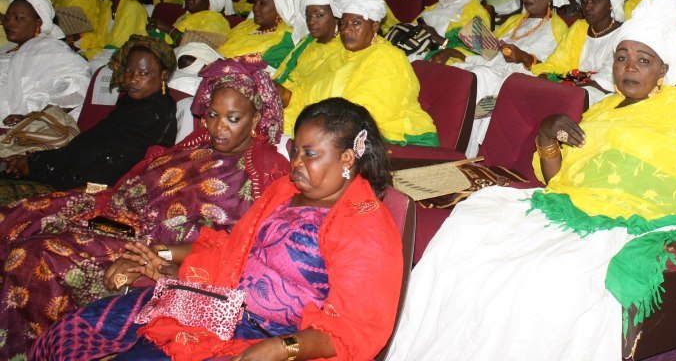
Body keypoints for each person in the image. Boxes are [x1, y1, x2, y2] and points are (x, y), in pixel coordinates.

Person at [386, 0, 676, 360]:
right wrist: (548, 135)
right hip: (570, 206)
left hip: (628, 222)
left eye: (643, 60)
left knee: (545, 275)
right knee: (469, 233)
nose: (629, 67)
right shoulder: (605, 110)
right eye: (622, 57)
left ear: (664, 69)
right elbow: (557, 180)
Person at [33, 97, 402, 361]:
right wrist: (159, 258)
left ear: (347, 158)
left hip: (268, 335)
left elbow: (354, 329)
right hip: (219, 305)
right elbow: (232, 251)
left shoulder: (364, 224)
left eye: (310, 154)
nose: (296, 164)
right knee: (78, 331)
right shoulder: (286, 191)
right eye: (295, 151)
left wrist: (281, 347)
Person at [0, 56, 289, 358]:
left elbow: (231, 250)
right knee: (16, 217)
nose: (218, 127)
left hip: (143, 246)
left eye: (233, 119)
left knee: (31, 257)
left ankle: (34, 350)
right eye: (213, 115)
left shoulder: (260, 175)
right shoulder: (197, 145)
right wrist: (90, 194)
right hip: (112, 214)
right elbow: (132, 183)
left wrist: (151, 255)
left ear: (256, 119)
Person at [0, 36, 177, 201]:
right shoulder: (136, 104)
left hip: (97, 191)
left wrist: (36, 166)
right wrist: (36, 161)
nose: (132, 79)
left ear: (163, 76)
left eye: (143, 73)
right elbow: (90, 146)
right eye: (129, 71)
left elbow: (103, 162)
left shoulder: (152, 114)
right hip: (79, 177)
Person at [302, 0, 438, 144]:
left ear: (375, 26)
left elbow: (365, 116)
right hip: (339, 133)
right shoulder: (340, 54)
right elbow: (310, 91)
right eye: (343, 23)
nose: (346, 30)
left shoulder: (388, 58)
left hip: (394, 139)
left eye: (356, 23)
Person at [456, 0, 570, 156]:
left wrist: (523, 57)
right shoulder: (515, 20)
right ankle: (452, 140)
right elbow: (491, 50)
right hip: (491, 65)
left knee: (480, 76)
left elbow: (553, 70)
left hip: (518, 79)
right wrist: (476, 44)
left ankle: (466, 151)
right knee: (456, 70)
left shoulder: (558, 27)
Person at [532, 0, 632, 105]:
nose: (588, 7)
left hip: (599, 98)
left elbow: (606, 81)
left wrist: (565, 90)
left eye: (595, 1)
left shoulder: (623, 35)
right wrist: (545, 76)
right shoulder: (579, 27)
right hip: (569, 89)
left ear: (611, 3)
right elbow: (556, 62)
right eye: (584, 1)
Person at [0, 0, 91, 123]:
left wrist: (36, 119)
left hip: (23, 129)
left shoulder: (49, 48)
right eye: (7, 18)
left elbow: (79, 85)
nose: (9, 23)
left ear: (38, 23)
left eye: (18, 18)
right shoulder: (7, 48)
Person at [275, 0, 344, 133]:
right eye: (308, 15)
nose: (311, 21)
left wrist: (286, 96)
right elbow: (284, 73)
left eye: (319, 15)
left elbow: (321, 95)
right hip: (285, 99)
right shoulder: (307, 42)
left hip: (308, 114)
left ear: (336, 17)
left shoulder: (342, 49)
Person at [219, 0, 301, 70]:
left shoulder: (287, 38)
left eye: (262, 3)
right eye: (255, 2)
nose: (255, 8)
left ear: (281, 6)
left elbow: (255, 68)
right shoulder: (248, 25)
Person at [415, 0, 491, 64]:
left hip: (444, 59)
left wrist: (438, 38)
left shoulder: (475, 11)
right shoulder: (437, 6)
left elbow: (482, 51)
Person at [148, 0, 234, 48]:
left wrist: (168, 29)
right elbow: (171, 42)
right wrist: (156, 32)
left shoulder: (215, 21)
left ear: (211, 0)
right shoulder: (186, 16)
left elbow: (195, 49)